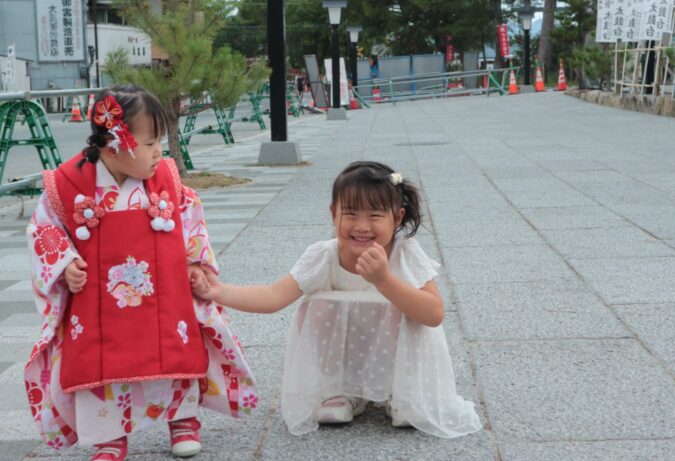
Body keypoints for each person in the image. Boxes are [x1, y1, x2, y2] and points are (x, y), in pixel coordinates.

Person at [24, 85, 257, 461]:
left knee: (175, 351)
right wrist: (65, 264)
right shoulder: (67, 185)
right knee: (103, 365)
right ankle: (108, 438)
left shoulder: (165, 177)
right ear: (114, 145)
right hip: (100, 304)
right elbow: (43, 231)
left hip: (165, 294)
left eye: (159, 143)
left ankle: (183, 420)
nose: (157, 153)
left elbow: (191, 218)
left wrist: (197, 261)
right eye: (149, 144)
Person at [193, 161, 482, 439]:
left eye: (375, 215)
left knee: (404, 305)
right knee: (319, 304)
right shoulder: (324, 256)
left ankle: (401, 394)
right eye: (351, 213)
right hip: (345, 360)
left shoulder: (405, 255)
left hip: (397, 362)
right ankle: (340, 390)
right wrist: (218, 292)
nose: (362, 226)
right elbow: (273, 297)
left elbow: (434, 314)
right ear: (334, 214)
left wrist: (384, 280)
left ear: (398, 218)